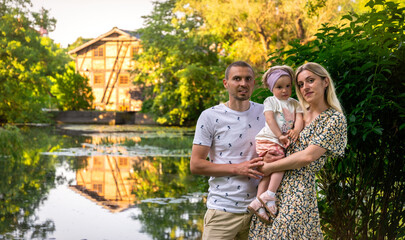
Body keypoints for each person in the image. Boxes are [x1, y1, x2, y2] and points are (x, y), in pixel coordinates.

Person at [249, 62, 347, 239]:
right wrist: (267, 156)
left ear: (325, 82)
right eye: (300, 84)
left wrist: (270, 167)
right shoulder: (295, 112)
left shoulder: (334, 119)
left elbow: (308, 156)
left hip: (298, 192)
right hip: (273, 192)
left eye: (310, 81)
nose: (305, 88)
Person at [190, 61, 266, 240]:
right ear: (226, 83)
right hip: (222, 212)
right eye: (237, 78)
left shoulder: (265, 113)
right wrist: (237, 169)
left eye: (248, 79)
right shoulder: (210, 116)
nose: (243, 83)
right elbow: (196, 165)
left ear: (254, 83)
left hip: (258, 212)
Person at [247, 65, 303, 224]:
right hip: (269, 139)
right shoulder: (271, 101)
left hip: (278, 141)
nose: (284, 90)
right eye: (279, 87)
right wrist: (280, 135)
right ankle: (270, 194)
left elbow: (299, 118)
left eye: (288, 86)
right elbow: (270, 119)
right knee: (281, 164)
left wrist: (297, 130)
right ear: (272, 88)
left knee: (269, 171)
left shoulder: (295, 103)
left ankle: (258, 202)